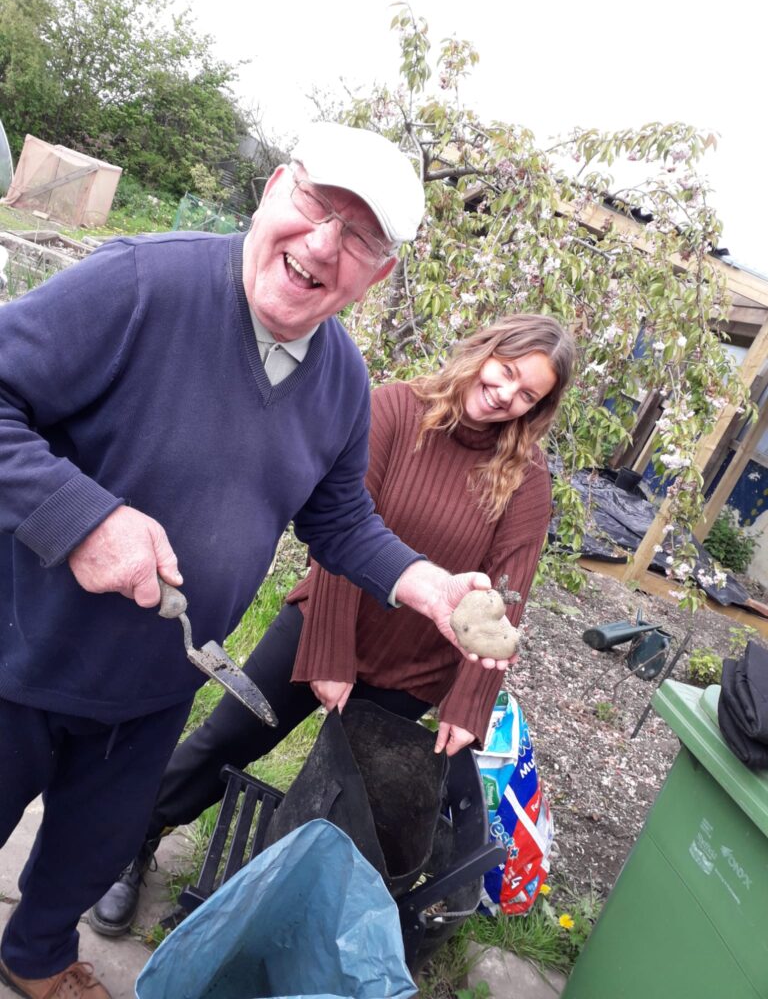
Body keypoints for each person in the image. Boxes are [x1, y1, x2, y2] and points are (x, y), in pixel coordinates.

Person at [0, 122, 499, 999]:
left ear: (378, 275)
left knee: (92, 845)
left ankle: (34, 955)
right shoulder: (143, 282)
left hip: (156, 685)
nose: (321, 246)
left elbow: (339, 520)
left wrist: (427, 585)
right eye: (315, 206)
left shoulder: (343, 379)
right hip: (22, 654)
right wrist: (82, 518)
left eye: (359, 239)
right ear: (274, 188)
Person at [91, 313, 575, 938]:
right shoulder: (398, 410)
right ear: (485, 353)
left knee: (339, 795)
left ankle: (263, 907)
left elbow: (508, 597)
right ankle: (134, 840)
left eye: (528, 393)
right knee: (227, 739)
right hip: (323, 621)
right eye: (506, 372)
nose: (507, 394)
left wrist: (470, 701)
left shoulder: (526, 479)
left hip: (413, 668)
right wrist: (329, 652)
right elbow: (343, 529)